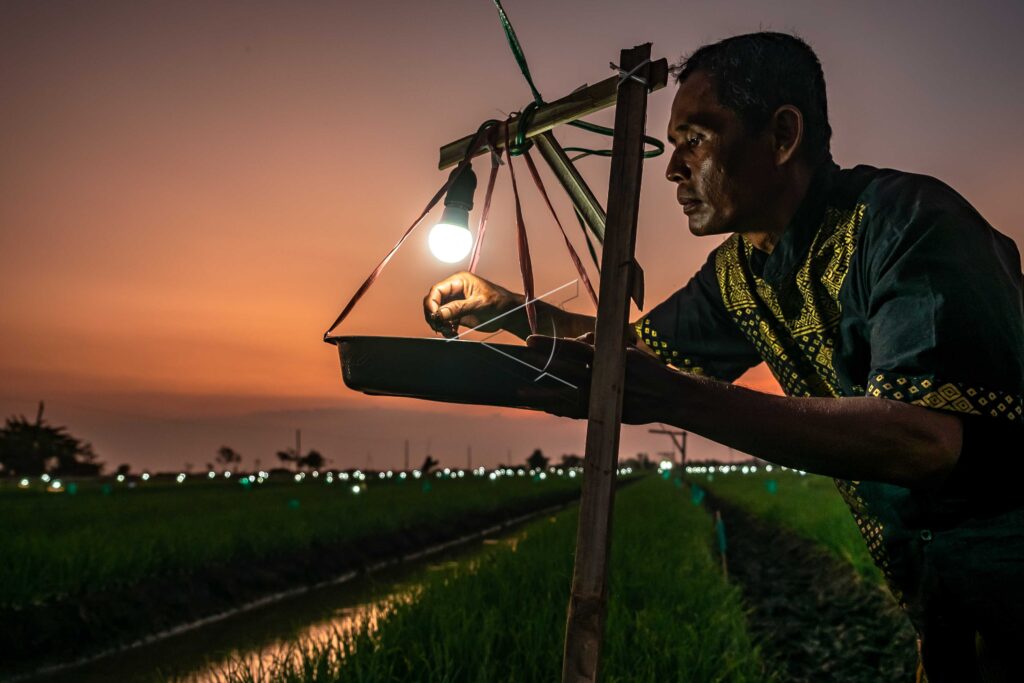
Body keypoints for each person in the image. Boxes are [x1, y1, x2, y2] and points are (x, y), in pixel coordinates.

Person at [422, 32, 1022, 681]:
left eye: (695, 140)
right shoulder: (742, 273)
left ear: (782, 135)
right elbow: (627, 347)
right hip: (944, 602)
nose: (673, 169)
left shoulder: (910, 225)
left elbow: (923, 440)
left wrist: (679, 397)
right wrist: (504, 309)